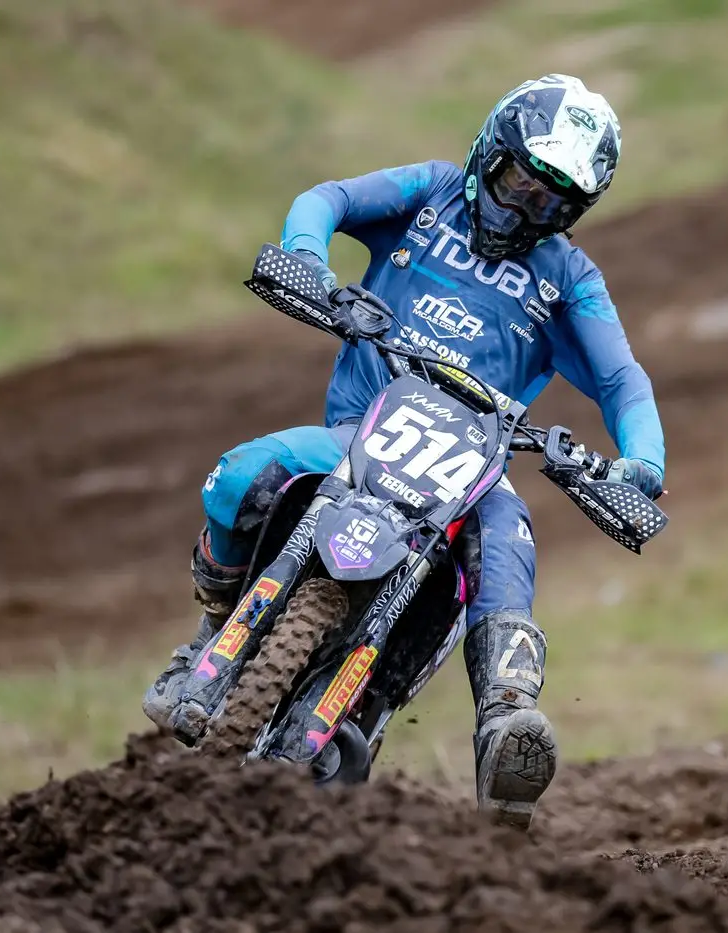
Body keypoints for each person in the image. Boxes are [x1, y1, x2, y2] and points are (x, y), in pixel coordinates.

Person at [143, 74, 666, 831]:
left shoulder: (569, 280)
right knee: (243, 473)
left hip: (472, 473)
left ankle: (505, 721)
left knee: (510, 545)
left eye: (550, 202)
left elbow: (623, 380)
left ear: (574, 212)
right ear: (490, 150)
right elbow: (328, 200)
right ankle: (206, 635)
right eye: (518, 181)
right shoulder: (430, 191)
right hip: (361, 431)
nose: (524, 209)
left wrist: (637, 465)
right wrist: (310, 263)